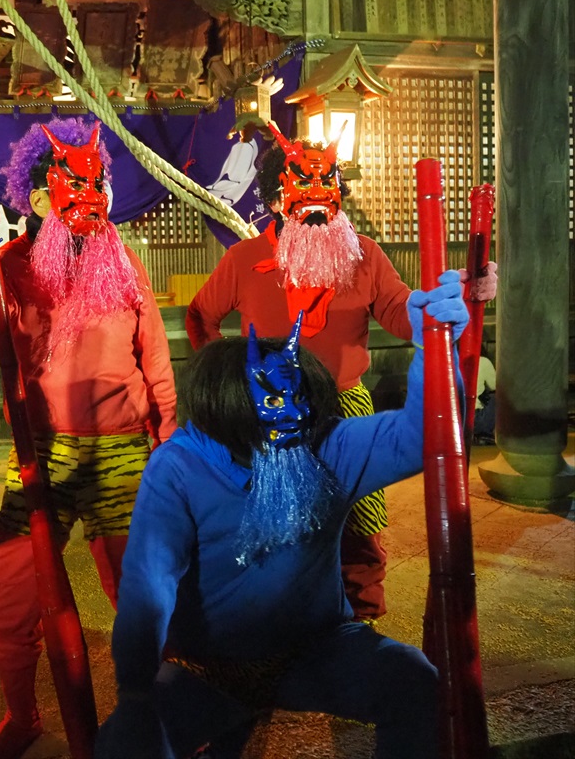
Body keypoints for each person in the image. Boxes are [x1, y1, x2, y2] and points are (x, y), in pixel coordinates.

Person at [97, 272, 469, 759]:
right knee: (123, 747)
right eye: (273, 401)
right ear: (228, 405)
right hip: (210, 665)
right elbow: (150, 585)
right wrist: (137, 693)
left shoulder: (327, 444)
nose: (290, 415)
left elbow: (425, 436)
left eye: (298, 399)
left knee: (415, 682)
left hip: (316, 649)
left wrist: (433, 348)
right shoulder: (181, 465)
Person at [185, 124, 495, 623]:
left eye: (325, 182)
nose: (313, 197)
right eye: (299, 184)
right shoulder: (244, 259)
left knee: (361, 526)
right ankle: (285, 629)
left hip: (347, 408)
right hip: (271, 413)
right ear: (273, 194)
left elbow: (400, 309)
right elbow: (200, 316)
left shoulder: (364, 254)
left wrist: (446, 299)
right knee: (278, 526)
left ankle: (361, 623)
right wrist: (227, 387)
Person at [0, 117, 177, 759]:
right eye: (68, 189)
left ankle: (152, 717)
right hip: (41, 456)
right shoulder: (9, 266)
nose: (85, 203)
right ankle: (22, 716)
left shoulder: (124, 261)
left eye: (95, 186)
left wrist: (168, 439)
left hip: (121, 450)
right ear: (37, 197)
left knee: (141, 598)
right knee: (12, 603)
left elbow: (156, 357)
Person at [473, 348, 496, 444]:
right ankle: (484, 434)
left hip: (455, 422)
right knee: (499, 397)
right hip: (477, 419)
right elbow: (494, 385)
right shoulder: (483, 361)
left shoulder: (452, 361)